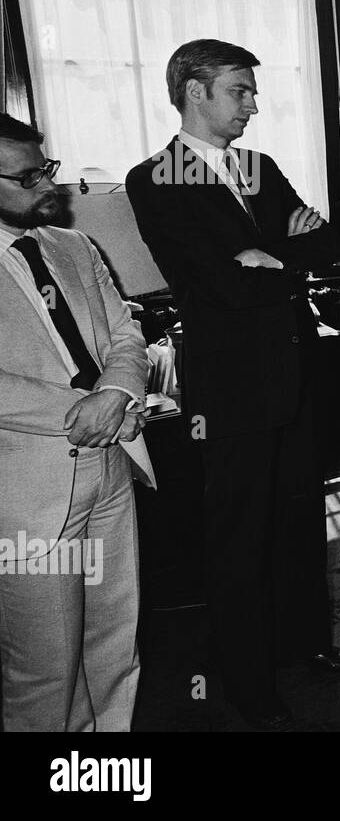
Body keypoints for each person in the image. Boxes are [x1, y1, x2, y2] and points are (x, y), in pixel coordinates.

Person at [126, 39, 340, 730]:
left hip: (294, 369)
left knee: (296, 516)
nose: (253, 102)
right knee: (238, 533)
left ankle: (305, 639)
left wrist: (267, 256)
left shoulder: (260, 167)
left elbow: (329, 243)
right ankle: (248, 679)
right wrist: (276, 258)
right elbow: (217, 281)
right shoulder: (152, 179)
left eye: (252, 91)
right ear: (195, 92)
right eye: (239, 90)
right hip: (229, 386)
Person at [0, 113, 151, 731]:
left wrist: (114, 391)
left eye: (47, 169)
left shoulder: (75, 247)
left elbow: (125, 332)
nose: (47, 186)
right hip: (26, 490)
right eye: (28, 176)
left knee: (115, 643)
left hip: (112, 464)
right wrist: (79, 409)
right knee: (44, 667)